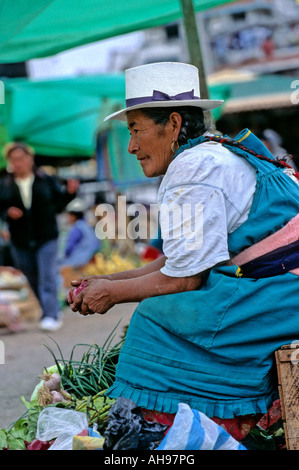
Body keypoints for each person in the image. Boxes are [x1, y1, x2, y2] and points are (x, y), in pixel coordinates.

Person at [68, 62, 299, 441]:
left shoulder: (193, 170)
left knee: (153, 322)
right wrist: (106, 280)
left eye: (136, 130)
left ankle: (179, 433)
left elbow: (187, 278)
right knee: (159, 312)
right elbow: (180, 260)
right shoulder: (215, 153)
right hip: (278, 285)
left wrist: (112, 295)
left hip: (282, 293)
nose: (131, 146)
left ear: (173, 125)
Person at [0, 142, 79, 331]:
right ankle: (49, 310)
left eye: (21, 158)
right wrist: (7, 212)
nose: (18, 163)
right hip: (20, 239)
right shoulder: (4, 183)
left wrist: (69, 194)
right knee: (32, 276)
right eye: (14, 159)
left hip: (46, 236)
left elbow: (58, 205)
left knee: (47, 275)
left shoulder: (45, 179)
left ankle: (50, 314)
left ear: (30, 159)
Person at [59, 198, 100, 268]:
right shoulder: (88, 227)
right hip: (87, 264)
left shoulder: (77, 229)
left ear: (73, 216)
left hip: (76, 264)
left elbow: (68, 249)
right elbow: (97, 246)